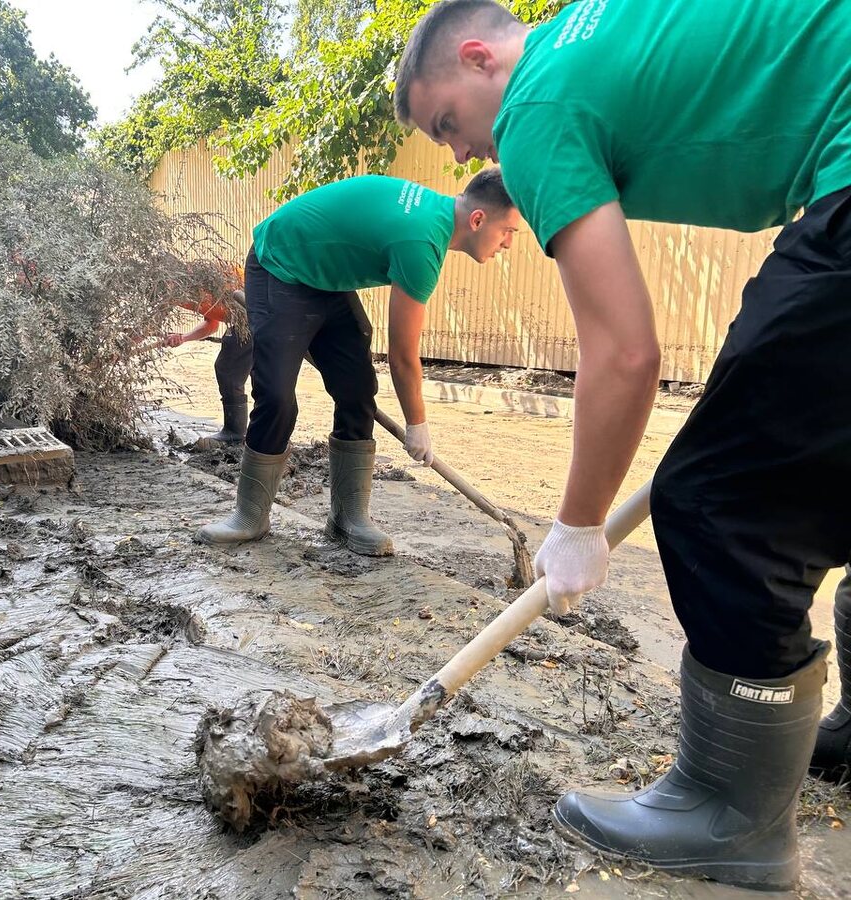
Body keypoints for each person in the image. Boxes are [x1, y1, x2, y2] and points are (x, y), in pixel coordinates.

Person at [394, 0, 851, 890]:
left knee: (721, 502)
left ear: (483, 58)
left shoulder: (534, 106)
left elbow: (626, 352)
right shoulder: (589, 37)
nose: (456, 155)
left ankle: (732, 816)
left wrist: (575, 525)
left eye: (447, 122)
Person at [197, 169, 519, 556]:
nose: (509, 244)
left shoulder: (431, 220)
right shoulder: (420, 241)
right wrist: (417, 425)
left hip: (325, 276)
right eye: (509, 231)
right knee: (278, 395)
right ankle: (249, 516)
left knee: (358, 390)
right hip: (280, 264)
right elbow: (402, 356)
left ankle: (348, 517)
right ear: (478, 219)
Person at [162, 262, 252, 444]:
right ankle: (240, 432)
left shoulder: (205, 279)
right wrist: (183, 337)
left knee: (228, 367)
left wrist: (121, 350)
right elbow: (211, 325)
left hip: (256, 314)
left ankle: (234, 433)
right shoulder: (179, 291)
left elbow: (242, 304)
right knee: (230, 368)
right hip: (247, 320)